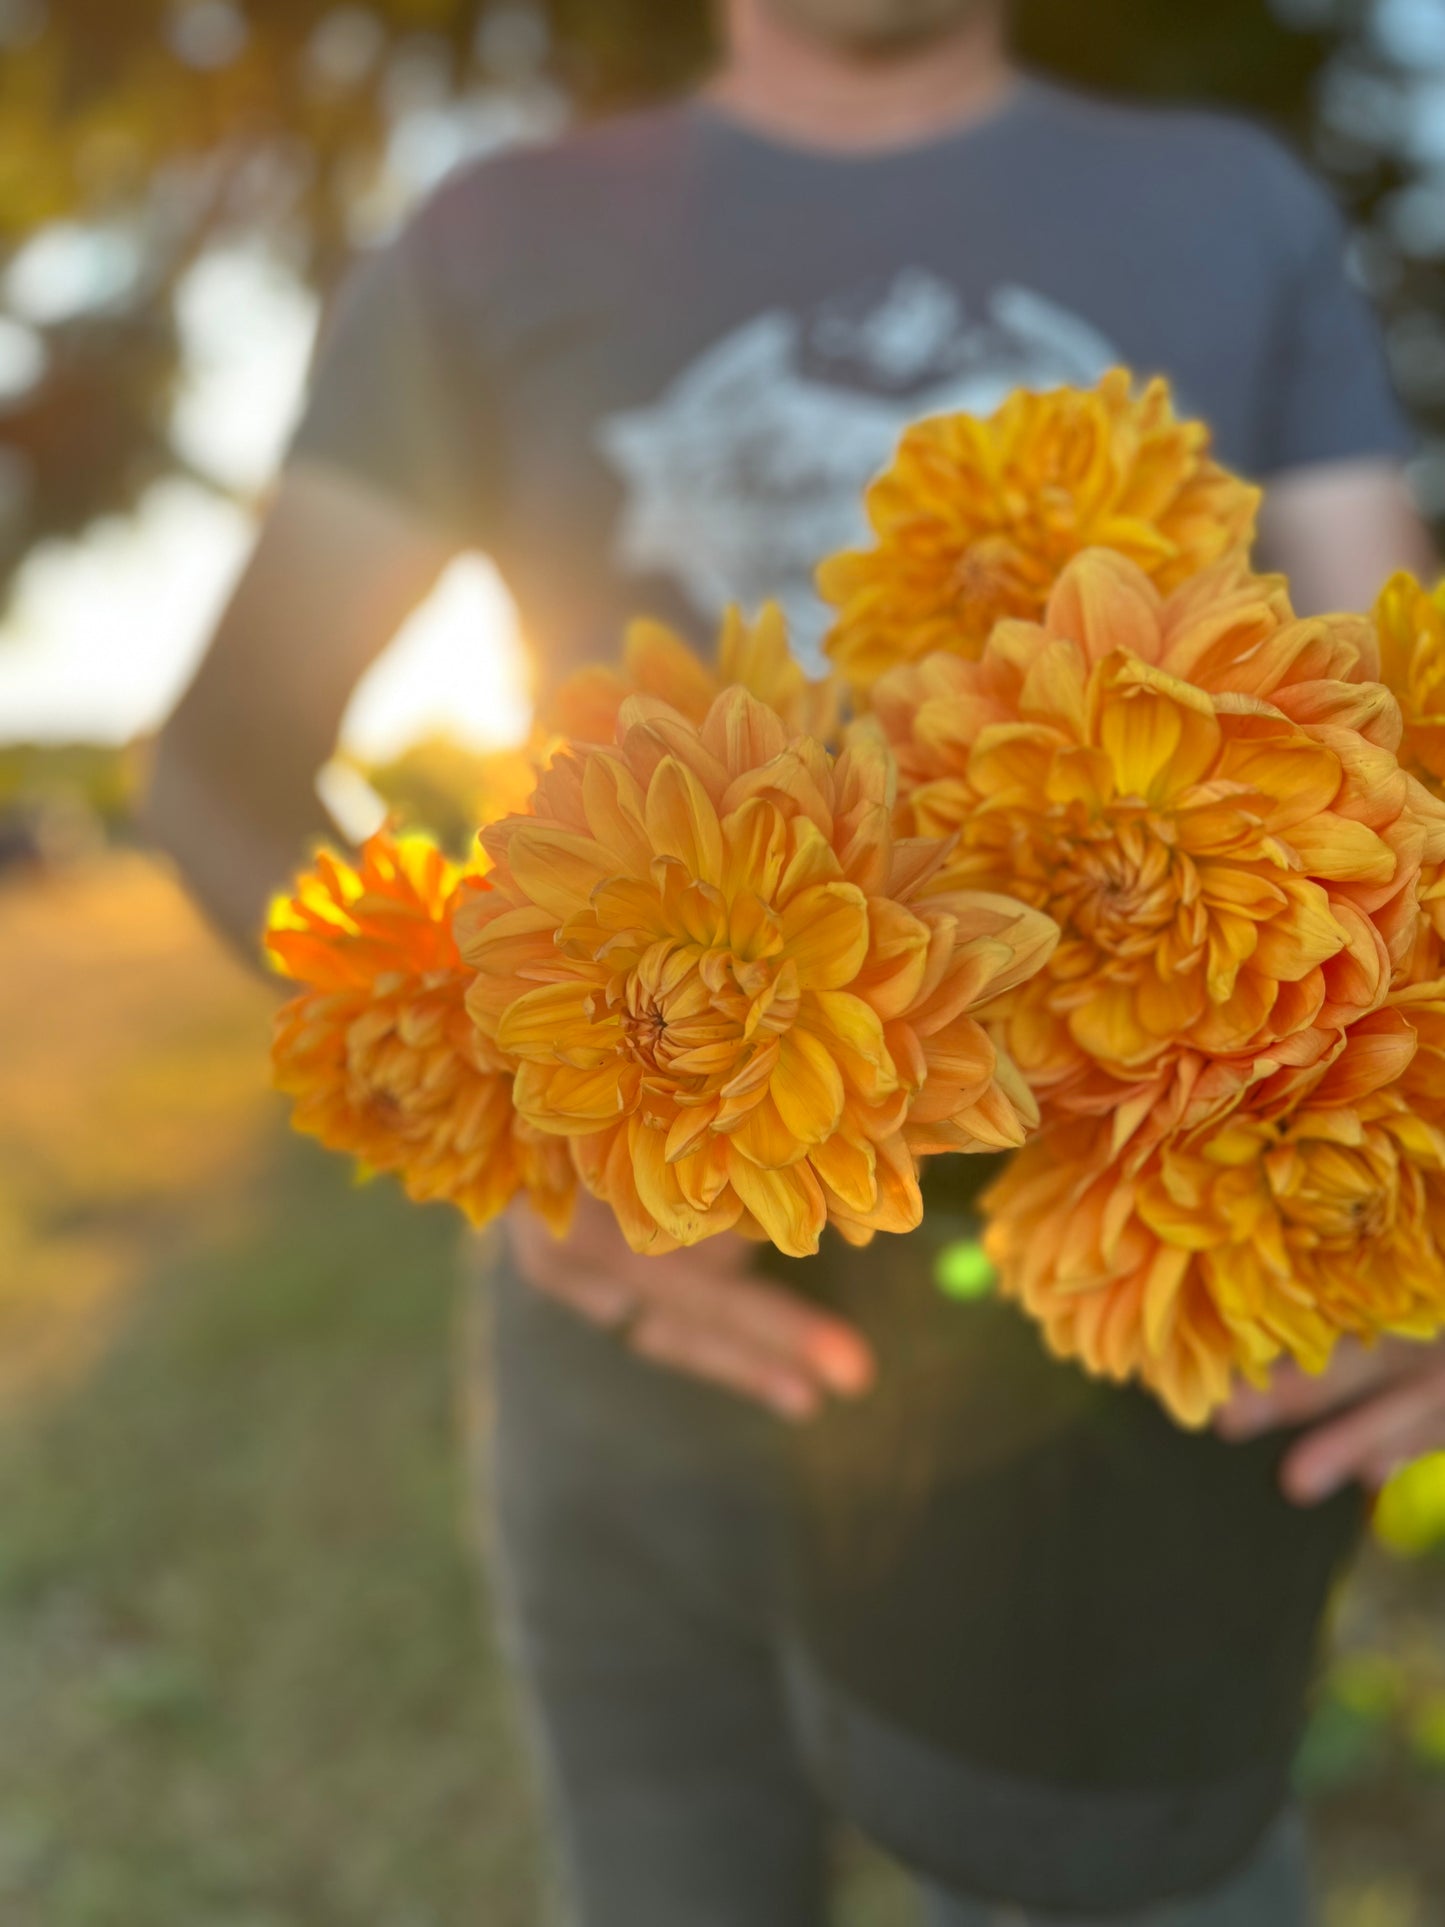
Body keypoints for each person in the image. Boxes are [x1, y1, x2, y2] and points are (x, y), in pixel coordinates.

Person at [145, 1, 1445, 1921]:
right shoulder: (496, 231)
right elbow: (226, 766)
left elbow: (1407, 743)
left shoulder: (1224, 203)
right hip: (634, 1320)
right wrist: (530, 1118)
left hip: (1109, 1400)